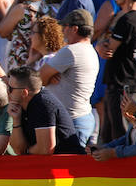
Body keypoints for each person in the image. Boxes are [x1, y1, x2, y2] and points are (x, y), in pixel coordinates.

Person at [98, 0, 136, 145]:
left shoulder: (126, 19)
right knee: (111, 130)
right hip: (132, 80)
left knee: (118, 131)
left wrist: (101, 45)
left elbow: (108, 48)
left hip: (121, 82)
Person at [40, 9, 100, 147]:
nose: (63, 31)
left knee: (69, 167)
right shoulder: (90, 50)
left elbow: (40, 79)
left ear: (74, 29)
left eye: (65, 27)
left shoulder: (71, 51)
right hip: (80, 117)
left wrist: (49, 77)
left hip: (71, 121)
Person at [0, 0, 47, 71]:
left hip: (20, 57)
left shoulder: (22, 9)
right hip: (40, 58)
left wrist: (15, 2)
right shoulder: (47, 8)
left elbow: (2, 31)